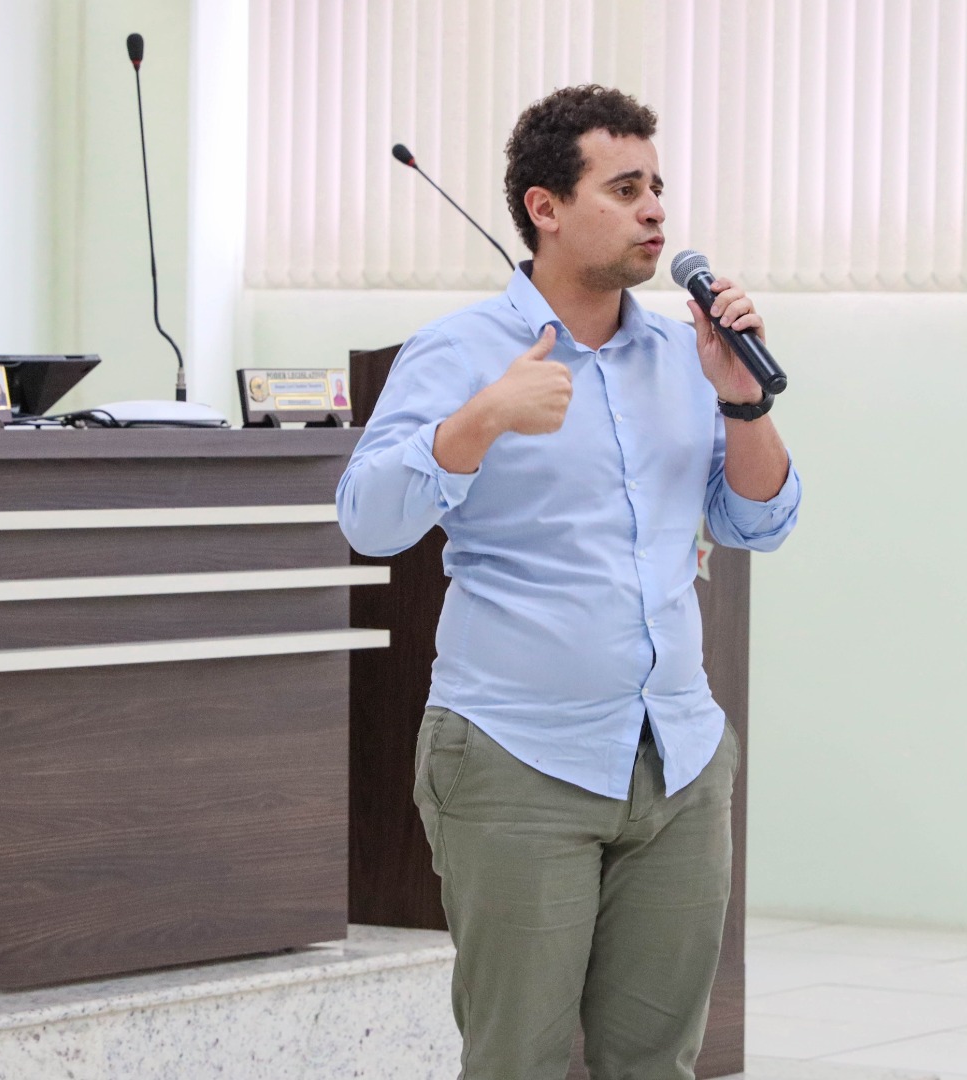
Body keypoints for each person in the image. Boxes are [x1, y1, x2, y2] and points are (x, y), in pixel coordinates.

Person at [337, 84, 802, 1080]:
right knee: (520, 1061)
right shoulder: (460, 352)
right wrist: (480, 420)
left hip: (677, 758)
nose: (654, 211)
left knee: (656, 1062)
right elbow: (368, 520)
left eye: (657, 188)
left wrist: (742, 402)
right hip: (516, 756)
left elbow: (759, 520)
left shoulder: (685, 354)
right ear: (544, 207)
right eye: (624, 189)